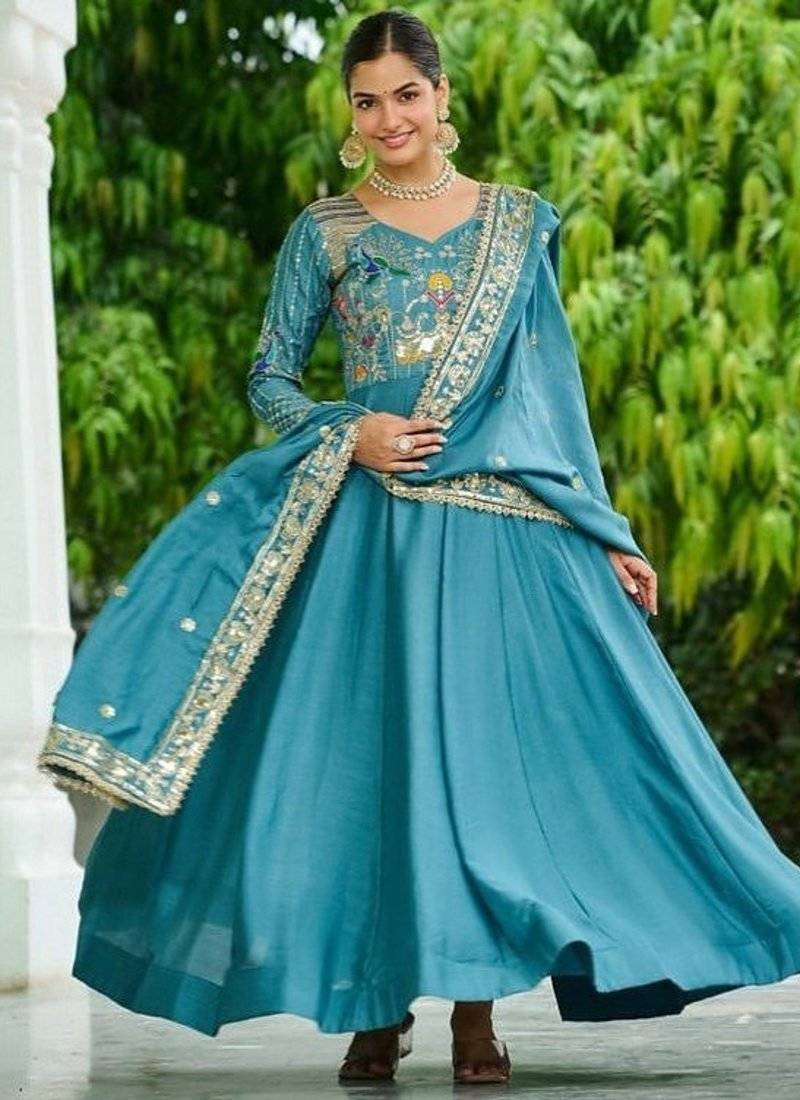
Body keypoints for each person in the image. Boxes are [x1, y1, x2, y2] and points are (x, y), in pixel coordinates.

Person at [37, 8, 800, 1088]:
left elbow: (550, 395)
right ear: (349, 115)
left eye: (405, 94)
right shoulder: (325, 232)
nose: (388, 117)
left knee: (475, 781)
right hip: (368, 540)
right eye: (366, 100)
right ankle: (374, 1005)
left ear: (442, 99)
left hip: (493, 535)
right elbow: (268, 379)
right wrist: (350, 430)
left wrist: (605, 529)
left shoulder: (517, 223)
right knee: (370, 776)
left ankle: (475, 1014)